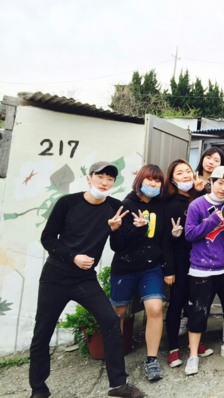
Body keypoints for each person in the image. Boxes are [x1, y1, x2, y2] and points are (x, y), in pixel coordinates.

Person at [30, 161, 145, 398]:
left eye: (110, 179)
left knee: (111, 321)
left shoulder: (115, 207)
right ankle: (38, 389)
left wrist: (130, 229)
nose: (104, 182)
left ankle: (118, 385)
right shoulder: (67, 203)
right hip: (55, 277)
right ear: (89, 178)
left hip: (84, 280)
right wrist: (73, 257)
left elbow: (118, 246)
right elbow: (48, 238)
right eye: (100, 176)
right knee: (42, 331)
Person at [182, 166, 224, 376]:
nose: (223, 188)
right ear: (211, 182)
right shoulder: (197, 205)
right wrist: (214, 219)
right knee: (198, 312)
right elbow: (189, 234)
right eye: (220, 183)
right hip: (201, 268)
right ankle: (193, 355)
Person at [110, 164, 170, 382]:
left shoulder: (161, 206)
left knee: (155, 309)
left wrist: (168, 268)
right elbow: (117, 246)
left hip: (151, 267)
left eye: (157, 181)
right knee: (118, 313)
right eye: (149, 179)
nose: (153, 184)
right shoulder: (125, 205)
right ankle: (115, 359)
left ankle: (151, 360)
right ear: (140, 180)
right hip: (124, 267)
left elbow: (164, 240)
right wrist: (137, 229)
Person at [163, 159, 213, 370]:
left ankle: (195, 342)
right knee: (177, 302)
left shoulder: (198, 198)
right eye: (180, 173)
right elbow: (165, 240)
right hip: (180, 261)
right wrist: (169, 269)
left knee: (196, 303)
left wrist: (200, 193)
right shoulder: (169, 204)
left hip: (200, 259)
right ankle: (172, 348)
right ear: (172, 179)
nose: (185, 176)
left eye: (188, 171)